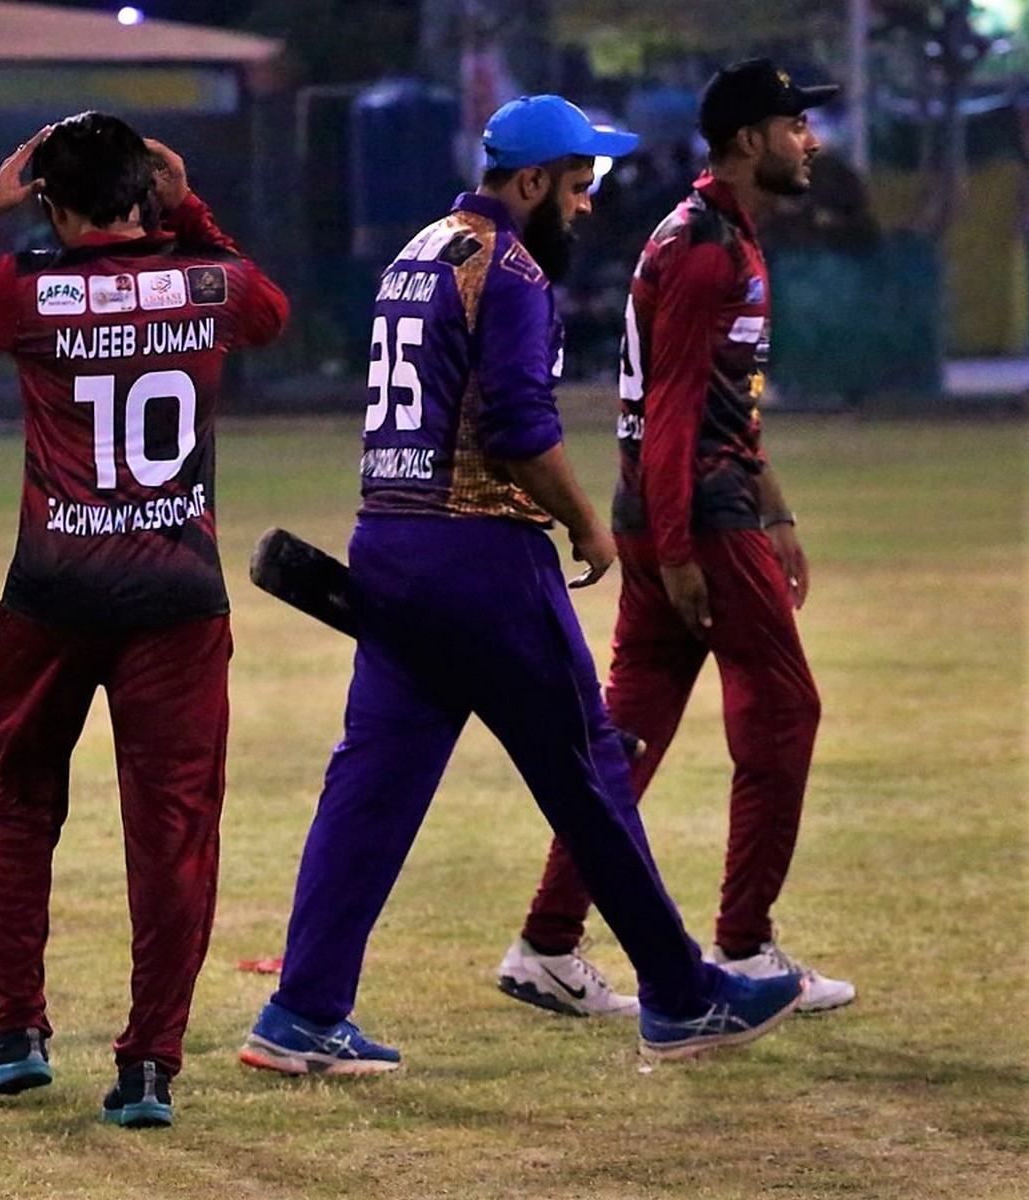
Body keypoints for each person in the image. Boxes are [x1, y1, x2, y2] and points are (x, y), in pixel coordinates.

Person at [238, 94, 803, 1076]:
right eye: (577, 187)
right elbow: (517, 429)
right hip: (481, 557)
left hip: (389, 543)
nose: (584, 207)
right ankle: (681, 997)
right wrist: (587, 522)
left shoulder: (418, 251)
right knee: (591, 774)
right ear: (531, 181)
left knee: (370, 786)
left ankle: (302, 1010)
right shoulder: (509, 269)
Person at [0, 112, 289, 1125]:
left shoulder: (29, 287)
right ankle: (147, 1069)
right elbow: (269, 310)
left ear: (51, 204)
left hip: (54, 593)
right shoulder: (208, 281)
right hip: (177, 598)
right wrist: (191, 210)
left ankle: (18, 1034)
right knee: (173, 833)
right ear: (146, 190)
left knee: (19, 806)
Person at [498, 60, 856, 1019]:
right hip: (694, 518)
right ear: (746, 139)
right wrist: (680, 550)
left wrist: (775, 508)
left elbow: (725, 404)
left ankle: (546, 943)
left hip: (683, 510)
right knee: (784, 712)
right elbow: (671, 414)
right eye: (792, 125)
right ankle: (743, 947)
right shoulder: (706, 250)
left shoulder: (710, 232)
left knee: (628, 737)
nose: (808, 140)